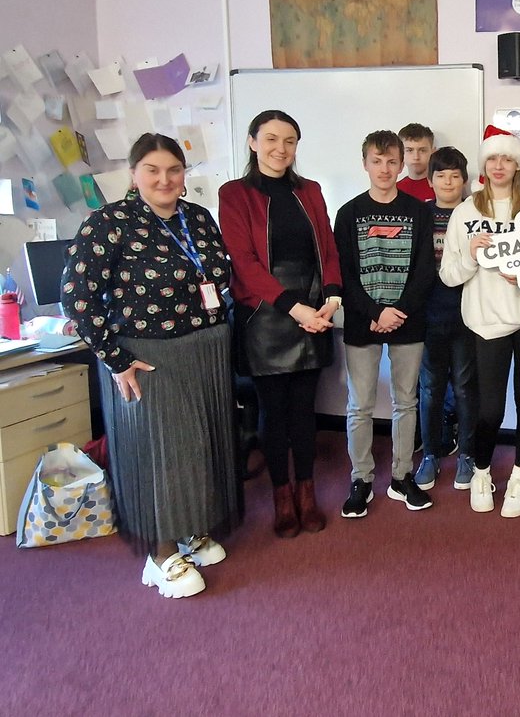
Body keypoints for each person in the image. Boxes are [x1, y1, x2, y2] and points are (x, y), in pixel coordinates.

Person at [62, 133, 239, 599]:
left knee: (198, 444)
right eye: (153, 170)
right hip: (146, 357)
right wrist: (116, 360)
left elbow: (218, 278)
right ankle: (160, 554)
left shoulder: (196, 218)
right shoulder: (110, 223)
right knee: (161, 454)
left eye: (174, 170)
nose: (165, 180)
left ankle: (189, 529)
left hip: (203, 349)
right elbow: (76, 299)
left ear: (184, 174)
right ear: (134, 173)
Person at [219, 110, 342, 538]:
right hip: (265, 315)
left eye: (289, 140)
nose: (280, 149)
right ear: (252, 142)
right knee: (275, 413)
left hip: (312, 310)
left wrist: (332, 295)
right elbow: (244, 263)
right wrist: (295, 308)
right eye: (271, 139)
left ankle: (308, 494)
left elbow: (326, 246)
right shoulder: (234, 194)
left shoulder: (310, 190)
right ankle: (282, 496)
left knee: (304, 412)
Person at [439, 126, 520, 518]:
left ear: (517, 165)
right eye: (492, 158)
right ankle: (483, 471)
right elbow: (449, 275)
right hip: (484, 321)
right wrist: (469, 253)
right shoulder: (465, 212)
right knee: (489, 408)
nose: (499, 165)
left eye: (506, 158)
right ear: (484, 164)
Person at [334, 130, 436, 518]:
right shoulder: (348, 213)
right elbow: (343, 272)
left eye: (392, 161)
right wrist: (375, 312)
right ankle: (361, 479)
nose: (385, 169)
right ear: (365, 164)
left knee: (405, 401)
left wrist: (397, 311)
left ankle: (401, 476)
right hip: (364, 322)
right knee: (359, 405)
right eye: (377, 161)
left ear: (402, 163)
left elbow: (426, 268)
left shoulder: (418, 211)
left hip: (408, 320)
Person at [415, 146, 479, 492]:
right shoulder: (420, 215)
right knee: (430, 388)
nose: (449, 182)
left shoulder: (475, 214)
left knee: (467, 387)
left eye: (455, 175)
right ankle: (431, 454)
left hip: (467, 312)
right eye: (441, 175)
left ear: (465, 180)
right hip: (429, 313)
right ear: (431, 180)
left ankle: (467, 455)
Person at [397, 122, 436, 202]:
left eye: (422, 150)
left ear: (433, 152)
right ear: (400, 153)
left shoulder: (443, 188)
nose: (416, 157)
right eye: (409, 150)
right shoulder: (394, 190)